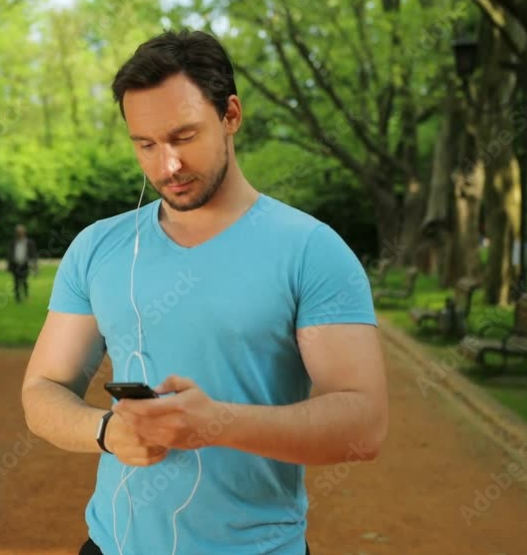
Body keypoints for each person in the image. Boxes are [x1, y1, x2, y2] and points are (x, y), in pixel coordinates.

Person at [21, 29, 388, 555]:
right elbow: (43, 389)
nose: (166, 165)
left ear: (230, 115)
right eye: (146, 144)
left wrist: (217, 423)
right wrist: (105, 432)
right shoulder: (98, 247)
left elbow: (364, 425)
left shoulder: (312, 250)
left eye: (184, 136)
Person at [7, 224, 38, 303]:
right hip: (15, 265)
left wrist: (35, 267)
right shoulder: (13, 242)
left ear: (24, 232)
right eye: (18, 232)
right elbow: (9, 254)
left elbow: (33, 254)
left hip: (24, 265)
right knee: (16, 282)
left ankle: (26, 296)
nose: (19, 234)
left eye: (20, 232)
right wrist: (9, 266)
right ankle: (18, 298)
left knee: (24, 280)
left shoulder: (29, 242)